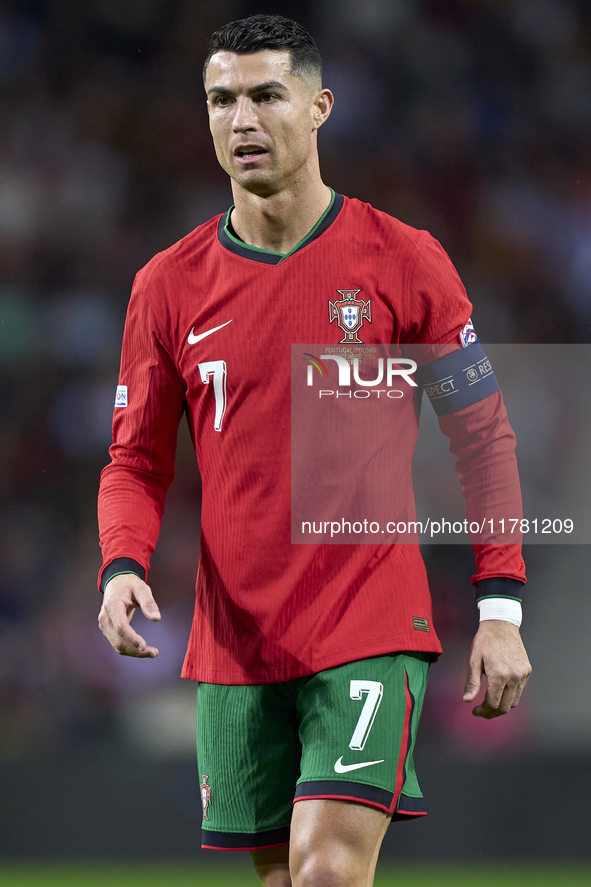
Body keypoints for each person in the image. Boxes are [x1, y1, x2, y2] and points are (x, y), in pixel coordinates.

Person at [97, 14, 532, 887]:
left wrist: (500, 607)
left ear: (319, 106)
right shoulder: (167, 286)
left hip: (366, 616)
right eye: (222, 100)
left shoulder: (403, 260)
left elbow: (480, 435)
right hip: (234, 640)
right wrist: (120, 564)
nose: (242, 119)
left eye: (266, 95)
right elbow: (135, 460)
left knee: (327, 869)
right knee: (286, 880)